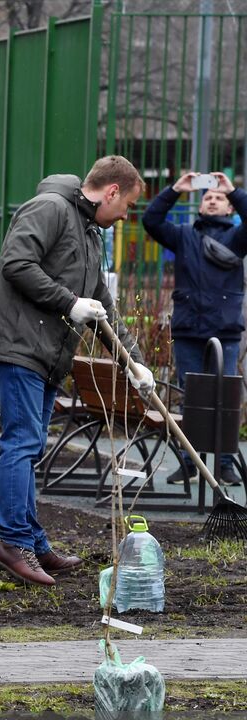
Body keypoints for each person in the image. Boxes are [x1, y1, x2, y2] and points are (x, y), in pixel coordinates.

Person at [0, 156, 152, 586]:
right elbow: (16, 264)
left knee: (31, 447)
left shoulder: (90, 231)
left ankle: (31, 541)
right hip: (19, 345)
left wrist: (134, 361)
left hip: (48, 353)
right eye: (127, 204)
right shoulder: (50, 209)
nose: (126, 214)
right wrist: (67, 302)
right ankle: (12, 545)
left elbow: (102, 305)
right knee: (23, 442)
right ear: (111, 192)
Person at [141, 169, 247, 484]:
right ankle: (190, 461)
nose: (213, 201)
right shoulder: (183, 235)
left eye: (219, 198)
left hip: (225, 330)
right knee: (190, 395)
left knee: (226, 395)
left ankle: (225, 464)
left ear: (230, 208)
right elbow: (151, 220)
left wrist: (234, 190)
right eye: (208, 197)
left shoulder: (238, 239)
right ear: (200, 206)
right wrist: (176, 189)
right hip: (188, 328)